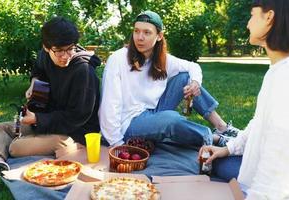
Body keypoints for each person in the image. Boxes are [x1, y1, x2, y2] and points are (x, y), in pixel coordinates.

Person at [0, 16, 101, 178]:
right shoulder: (45, 55)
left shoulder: (84, 71)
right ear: (46, 47)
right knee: (0, 128)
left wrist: (37, 119)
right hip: (47, 120)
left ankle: (66, 146)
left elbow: (77, 116)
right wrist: (35, 82)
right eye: (59, 51)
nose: (65, 56)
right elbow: (39, 68)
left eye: (70, 49)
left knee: (15, 147)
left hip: (75, 132)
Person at [199, 0, 289, 198]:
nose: (248, 23)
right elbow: (259, 123)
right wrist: (227, 149)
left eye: (252, 15)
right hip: (253, 169)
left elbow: (279, 166)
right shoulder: (282, 70)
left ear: (269, 17)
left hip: (280, 191)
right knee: (216, 161)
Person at [99, 10, 239, 148]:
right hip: (129, 123)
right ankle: (216, 139)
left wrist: (195, 83)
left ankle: (222, 127)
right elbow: (109, 106)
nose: (140, 37)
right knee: (171, 119)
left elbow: (193, 67)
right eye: (136, 31)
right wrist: (116, 142)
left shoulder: (163, 60)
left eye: (147, 32)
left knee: (185, 77)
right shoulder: (117, 59)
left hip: (155, 111)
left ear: (159, 36)